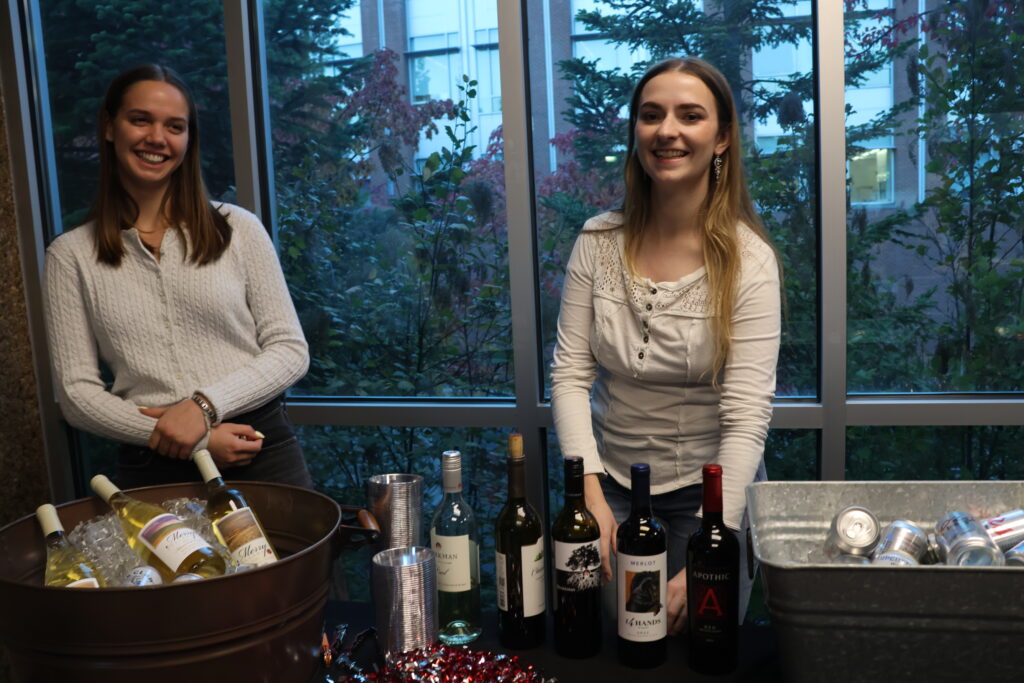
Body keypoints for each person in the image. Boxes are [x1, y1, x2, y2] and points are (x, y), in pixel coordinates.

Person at [550, 57, 781, 634]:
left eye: (690, 115)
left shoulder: (750, 261)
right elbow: (570, 376)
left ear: (722, 137)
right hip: (610, 489)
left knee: (697, 645)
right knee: (626, 646)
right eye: (651, 116)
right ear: (636, 134)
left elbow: (748, 416)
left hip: (709, 497)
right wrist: (590, 497)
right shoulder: (597, 241)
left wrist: (714, 539)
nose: (666, 130)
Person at [43, 64, 313, 490]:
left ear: (188, 140)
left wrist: (204, 407)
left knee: (292, 559)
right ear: (110, 127)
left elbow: (290, 350)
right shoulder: (70, 256)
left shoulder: (238, 228)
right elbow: (77, 395)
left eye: (175, 126)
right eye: (140, 120)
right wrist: (195, 439)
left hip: (257, 448)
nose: (157, 138)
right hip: (153, 466)